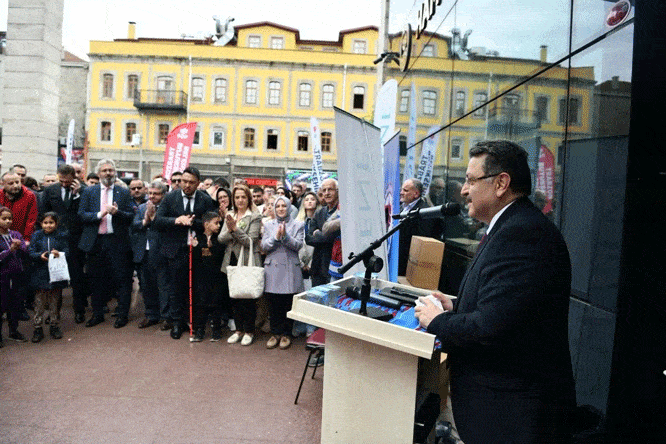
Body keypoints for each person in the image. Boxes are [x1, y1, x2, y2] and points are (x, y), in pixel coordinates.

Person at [414, 141, 575, 443]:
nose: (463, 190)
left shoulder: (523, 234)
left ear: (501, 183)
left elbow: (491, 328)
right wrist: (456, 306)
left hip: (512, 417)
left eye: (471, 180)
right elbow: (506, 305)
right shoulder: (511, 227)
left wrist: (436, 321)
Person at [153, 167, 216, 339]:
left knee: (196, 289)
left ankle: (194, 322)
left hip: (197, 251)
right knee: (176, 288)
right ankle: (176, 323)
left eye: (191, 182)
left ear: (198, 183)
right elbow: (157, 221)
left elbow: (211, 222)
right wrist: (176, 220)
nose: (187, 185)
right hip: (175, 249)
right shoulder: (170, 197)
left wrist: (193, 223)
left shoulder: (205, 199)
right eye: (184, 181)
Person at [78, 159, 135, 328]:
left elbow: (130, 216)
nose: (108, 173)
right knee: (96, 279)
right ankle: (97, 314)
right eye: (105, 170)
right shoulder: (89, 192)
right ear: (98, 173)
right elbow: (81, 215)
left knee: (122, 279)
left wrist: (117, 213)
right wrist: (99, 214)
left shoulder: (123, 192)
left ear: (115, 173)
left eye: (111, 170)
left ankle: (123, 315)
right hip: (96, 241)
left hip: (117, 241)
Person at [40, 164, 88, 323]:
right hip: (57, 238)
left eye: (68, 181)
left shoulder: (84, 189)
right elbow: (43, 214)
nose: (64, 184)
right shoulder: (50, 190)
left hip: (76, 239)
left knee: (77, 277)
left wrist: (78, 193)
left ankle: (79, 310)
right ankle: (53, 312)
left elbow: (87, 211)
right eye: (62, 181)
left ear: (75, 177)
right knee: (55, 276)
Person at [219, 184, 262, 346]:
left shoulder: (255, 216)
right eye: (237, 197)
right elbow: (221, 239)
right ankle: (238, 330)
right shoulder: (230, 214)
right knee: (234, 297)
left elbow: (250, 240)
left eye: (243, 197)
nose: (240, 200)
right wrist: (231, 230)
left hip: (247, 260)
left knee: (247, 298)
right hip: (231, 259)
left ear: (248, 198)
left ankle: (249, 331)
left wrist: (235, 229)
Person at [261, 196, 304, 350]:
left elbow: (298, 245)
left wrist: (285, 237)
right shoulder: (268, 225)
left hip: (289, 268)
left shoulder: (298, 224)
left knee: (287, 302)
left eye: (283, 206)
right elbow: (264, 246)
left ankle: (286, 334)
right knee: (273, 303)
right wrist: (276, 237)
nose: (280, 209)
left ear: (289, 207)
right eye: (277, 206)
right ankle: (275, 333)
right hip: (273, 268)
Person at [132, 180, 168, 329]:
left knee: (163, 285)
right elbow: (135, 225)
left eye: (156, 194)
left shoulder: (168, 208)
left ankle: (166, 316)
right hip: (144, 252)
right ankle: (151, 315)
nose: (152, 196)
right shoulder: (141, 208)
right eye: (150, 193)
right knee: (146, 286)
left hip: (161, 251)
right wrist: (145, 220)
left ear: (163, 195)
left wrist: (155, 218)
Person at [28, 212, 69, 342]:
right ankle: (37, 327)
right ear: (41, 224)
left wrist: (59, 254)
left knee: (54, 302)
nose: (48, 225)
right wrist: (39, 255)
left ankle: (54, 325)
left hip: (56, 274)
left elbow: (67, 251)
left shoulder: (61, 236)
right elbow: (31, 252)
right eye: (45, 223)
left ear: (56, 224)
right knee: (39, 303)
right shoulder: (36, 235)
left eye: (51, 222)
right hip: (40, 273)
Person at [189, 211, 225, 342]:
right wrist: (194, 247)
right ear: (206, 224)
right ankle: (199, 330)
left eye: (219, 223)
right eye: (216, 223)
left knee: (216, 303)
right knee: (201, 303)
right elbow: (194, 258)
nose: (219, 226)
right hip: (201, 277)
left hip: (216, 276)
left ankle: (216, 329)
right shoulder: (198, 238)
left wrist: (212, 249)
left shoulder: (219, 239)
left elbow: (220, 255)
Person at [0, 206, 29, 345]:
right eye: (4, 218)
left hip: (17, 275)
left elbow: (25, 253)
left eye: (10, 218)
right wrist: (10, 250)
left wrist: (20, 248)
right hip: (2, 277)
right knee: (1, 305)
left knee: (16, 304)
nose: (7, 221)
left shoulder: (16, 234)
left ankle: (14, 331)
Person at [397, 178, 436, 277]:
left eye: (405, 190)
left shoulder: (424, 212)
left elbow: (421, 238)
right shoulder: (398, 205)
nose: (401, 193)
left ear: (416, 194)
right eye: (401, 190)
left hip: (407, 262)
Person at [305, 178, 340, 287]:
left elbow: (331, 237)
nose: (326, 193)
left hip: (334, 266)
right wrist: (323, 235)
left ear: (337, 191)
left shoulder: (341, 212)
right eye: (324, 190)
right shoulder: (320, 212)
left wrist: (318, 234)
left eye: (330, 190)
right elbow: (308, 238)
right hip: (318, 267)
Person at [1, 171, 39, 243]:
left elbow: (31, 220)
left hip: (21, 238)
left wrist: (27, 239)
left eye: (17, 182)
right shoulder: (0, 195)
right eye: (11, 183)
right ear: (2, 184)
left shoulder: (30, 195)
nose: (15, 186)